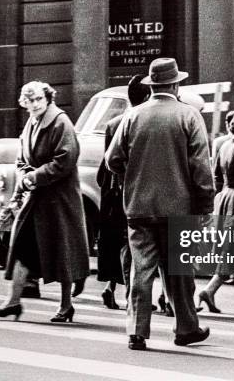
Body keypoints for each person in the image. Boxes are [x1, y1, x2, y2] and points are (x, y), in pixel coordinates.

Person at [105, 57, 214, 350]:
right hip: (179, 209)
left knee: (140, 270)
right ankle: (186, 328)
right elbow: (202, 168)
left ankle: (137, 331)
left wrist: (133, 175)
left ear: (152, 85)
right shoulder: (189, 116)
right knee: (180, 271)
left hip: (139, 207)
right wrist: (205, 206)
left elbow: (112, 160)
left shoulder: (133, 116)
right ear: (176, 84)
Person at [0, 81, 90, 322]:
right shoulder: (31, 124)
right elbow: (22, 157)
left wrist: (34, 176)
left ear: (48, 99)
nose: (34, 104)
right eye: (29, 100)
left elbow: (66, 160)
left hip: (59, 200)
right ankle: (13, 301)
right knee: (22, 247)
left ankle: (66, 305)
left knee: (62, 250)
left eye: (38, 100)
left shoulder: (60, 122)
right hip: (36, 198)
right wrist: (24, 175)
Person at [97, 74, 151, 309]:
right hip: (134, 190)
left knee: (118, 242)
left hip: (113, 192)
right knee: (133, 244)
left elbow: (107, 163)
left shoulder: (112, 123)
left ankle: (110, 288)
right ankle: (132, 295)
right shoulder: (143, 120)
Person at [197, 111, 234, 313]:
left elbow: (216, 175)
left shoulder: (223, 145)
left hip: (223, 197)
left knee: (230, 248)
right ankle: (209, 290)